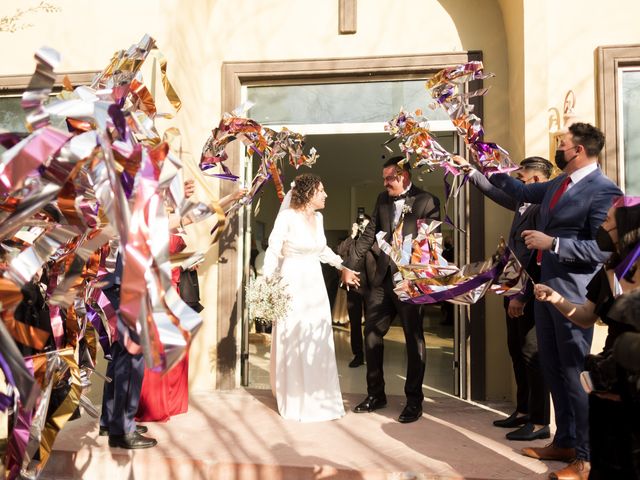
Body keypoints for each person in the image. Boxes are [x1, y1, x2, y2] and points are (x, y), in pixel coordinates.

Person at [488, 123, 622, 479]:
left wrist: (554, 244)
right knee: (552, 368)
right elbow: (518, 189)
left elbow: (601, 249)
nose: (557, 149)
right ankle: (563, 440)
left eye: (561, 144)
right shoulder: (559, 184)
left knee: (574, 373)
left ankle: (585, 456)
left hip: (574, 294)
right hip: (545, 289)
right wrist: (481, 163)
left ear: (578, 150)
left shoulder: (603, 191)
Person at [534, 198, 640, 479]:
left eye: (608, 222)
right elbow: (584, 316)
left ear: (628, 229)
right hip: (610, 378)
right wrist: (554, 297)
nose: (601, 226)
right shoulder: (607, 272)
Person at [452, 154, 552, 441]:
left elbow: (534, 256)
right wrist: (470, 170)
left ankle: (540, 420)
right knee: (516, 350)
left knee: (532, 354)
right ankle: (522, 410)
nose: (516, 185)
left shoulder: (543, 206)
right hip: (511, 288)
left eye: (520, 179)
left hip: (528, 291)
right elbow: (494, 190)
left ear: (535, 179)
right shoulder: (522, 202)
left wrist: (521, 295)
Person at [341, 156, 440, 424]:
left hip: (409, 282)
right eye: (384, 178)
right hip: (382, 281)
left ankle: (413, 401)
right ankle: (376, 394)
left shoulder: (427, 201)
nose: (385, 183)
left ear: (404, 175)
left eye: (390, 179)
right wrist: (350, 265)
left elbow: (430, 245)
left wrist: (416, 277)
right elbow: (369, 234)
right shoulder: (382, 200)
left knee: (413, 338)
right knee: (371, 334)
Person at [263, 173, 347, 422]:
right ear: (310, 193)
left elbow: (321, 249)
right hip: (292, 281)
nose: (326, 194)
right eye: (322, 190)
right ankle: (296, 396)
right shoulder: (287, 217)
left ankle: (319, 395)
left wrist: (341, 265)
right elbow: (274, 247)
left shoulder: (319, 218)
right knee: (295, 336)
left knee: (317, 336)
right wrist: (268, 282)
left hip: (315, 284)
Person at [335, 213, 375, 368]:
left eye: (365, 224)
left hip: (372, 288)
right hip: (354, 287)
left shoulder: (374, 240)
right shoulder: (352, 242)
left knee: (372, 324)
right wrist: (352, 235)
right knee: (355, 324)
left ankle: (372, 354)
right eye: (361, 224)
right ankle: (358, 355)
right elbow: (339, 250)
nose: (362, 227)